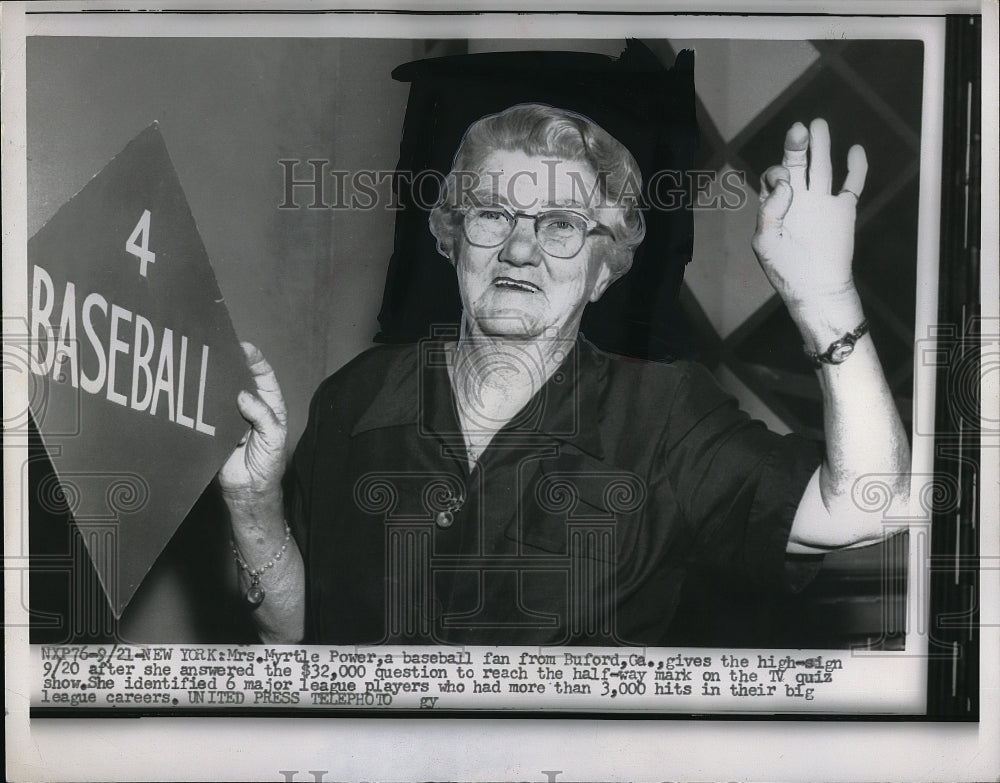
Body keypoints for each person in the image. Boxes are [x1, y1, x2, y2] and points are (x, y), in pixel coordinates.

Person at [218, 103, 911, 646]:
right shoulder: (355, 398)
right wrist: (254, 502)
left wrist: (822, 299)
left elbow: (867, 506)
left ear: (603, 269)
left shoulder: (664, 418)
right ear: (453, 237)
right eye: (493, 213)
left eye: (561, 226)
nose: (519, 248)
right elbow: (292, 633)